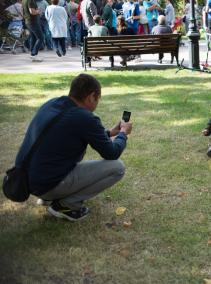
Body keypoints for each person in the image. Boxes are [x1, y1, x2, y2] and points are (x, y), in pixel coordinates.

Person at [14, 74, 132, 221]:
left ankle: (50, 197)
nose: (97, 103)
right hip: (48, 184)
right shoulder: (85, 117)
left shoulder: (51, 104)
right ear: (91, 96)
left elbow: (72, 131)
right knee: (117, 167)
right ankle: (66, 204)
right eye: (98, 99)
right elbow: (112, 153)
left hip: (27, 181)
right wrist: (123, 134)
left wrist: (109, 133)